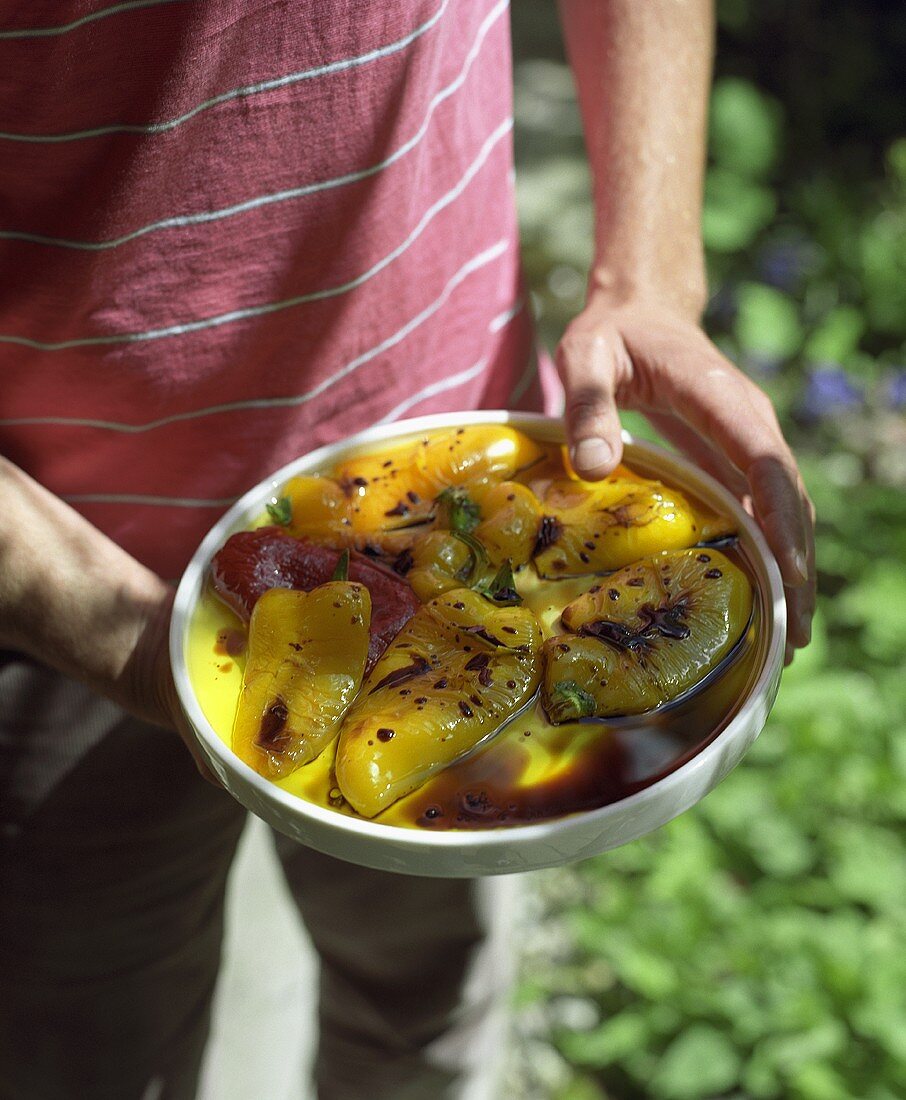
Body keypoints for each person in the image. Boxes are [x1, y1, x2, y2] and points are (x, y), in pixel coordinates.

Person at [0, 1, 815, 1097]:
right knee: (93, 1054)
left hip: (466, 440)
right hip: (56, 564)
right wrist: (98, 621)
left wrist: (649, 277)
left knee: (423, 1010)